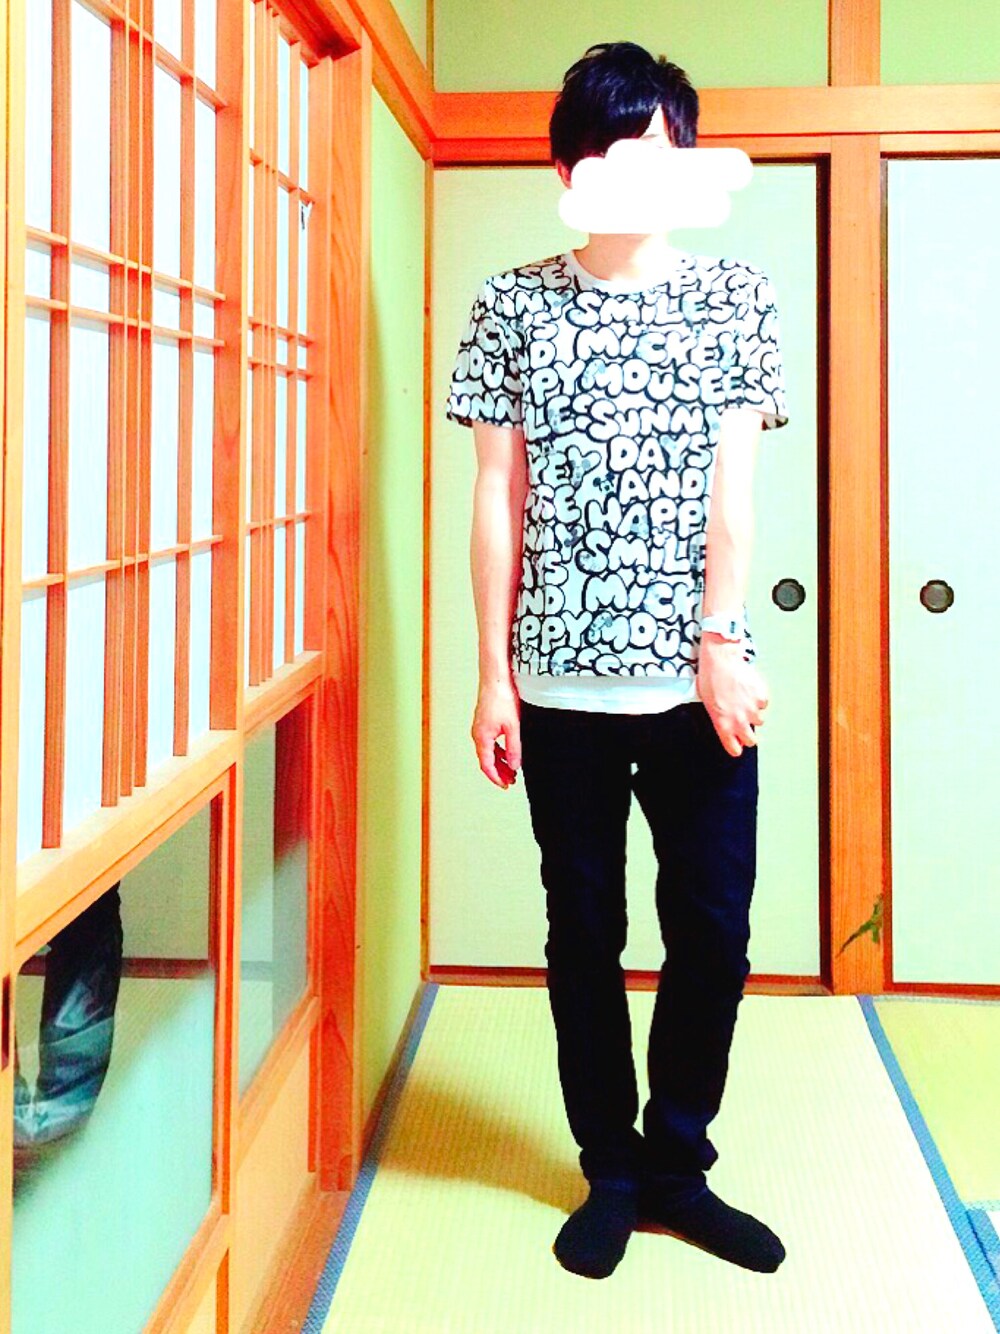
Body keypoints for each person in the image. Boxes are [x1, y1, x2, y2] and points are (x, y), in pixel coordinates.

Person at [444, 40, 789, 1280]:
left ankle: (678, 1164)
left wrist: (720, 638)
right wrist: (491, 674)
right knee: (581, 929)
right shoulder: (511, 304)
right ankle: (609, 1168)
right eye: (615, 151)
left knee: (713, 930)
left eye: (662, 150)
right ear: (568, 169)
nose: (642, 173)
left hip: (701, 683)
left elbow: (734, 489)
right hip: (557, 685)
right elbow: (498, 499)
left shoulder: (736, 296)